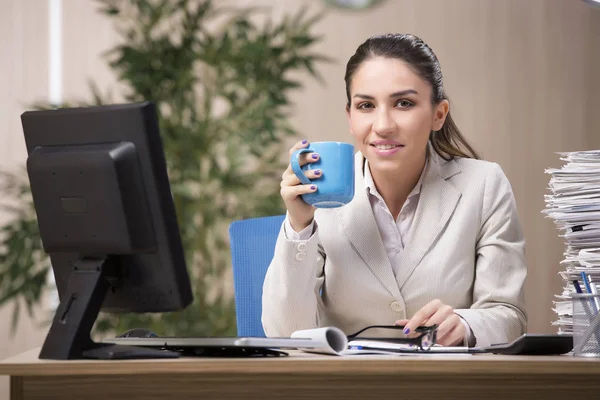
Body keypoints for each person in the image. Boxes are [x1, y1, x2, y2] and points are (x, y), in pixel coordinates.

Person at [261, 33, 526, 348]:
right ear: (350, 116)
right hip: (347, 386)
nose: (383, 124)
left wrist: (467, 325)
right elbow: (284, 333)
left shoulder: (483, 185)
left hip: (445, 385)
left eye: (404, 103)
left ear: (438, 114)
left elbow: (509, 316)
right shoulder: (325, 199)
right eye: (366, 105)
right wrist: (299, 226)